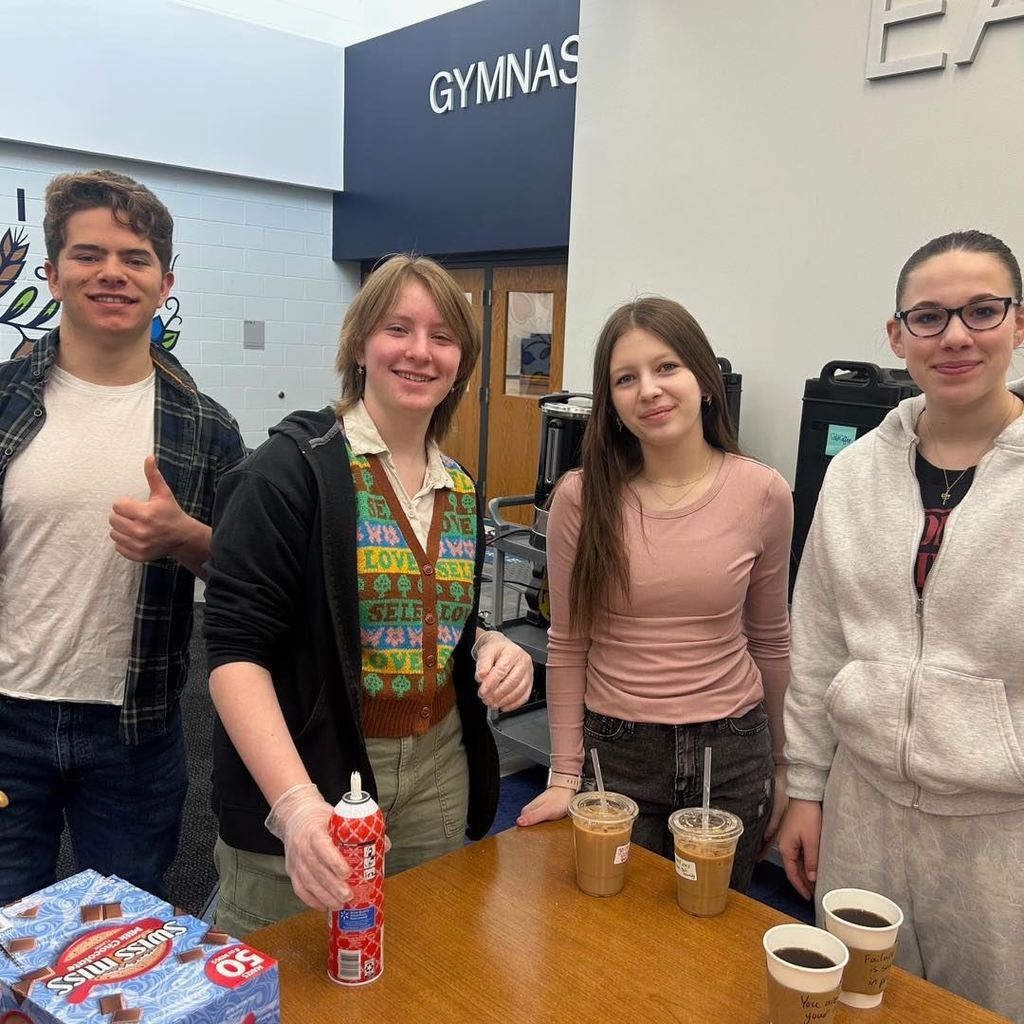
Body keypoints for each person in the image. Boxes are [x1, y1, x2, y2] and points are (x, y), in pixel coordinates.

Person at [204, 254, 534, 934]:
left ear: (462, 360)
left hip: (440, 764)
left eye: (442, 337)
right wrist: (295, 807)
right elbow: (236, 652)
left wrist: (493, 644)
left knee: (424, 962)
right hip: (313, 764)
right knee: (290, 974)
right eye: (398, 329)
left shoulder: (461, 487)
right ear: (360, 343)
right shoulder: (288, 473)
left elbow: (446, 617)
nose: (420, 352)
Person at [779, 230, 1024, 1022]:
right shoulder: (853, 475)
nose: (955, 334)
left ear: (1019, 324)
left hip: (1000, 834)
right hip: (863, 811)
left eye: (982, 310)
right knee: (854, 1005)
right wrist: (806, 791)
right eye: (929, 316)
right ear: (896, 335)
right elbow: (816, 643)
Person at [0, 169, 247, 903]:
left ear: (164, 281)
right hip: (5, 719)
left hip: (135, 730)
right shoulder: (3, 402)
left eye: (135, 258)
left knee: (126, 933)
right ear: (51, 273)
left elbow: (247, 575)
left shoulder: (207, 427)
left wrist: (186, 538)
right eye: (88, 254)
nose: (112, 272)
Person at [517, 297, 792, 893]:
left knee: (711, 930)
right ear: (610, 402)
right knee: (610, 934)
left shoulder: (762, 492)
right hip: (616, 753)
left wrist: (784, 766)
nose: (649, 389)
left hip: (734, 746)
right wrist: (564, 775)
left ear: (705, 380)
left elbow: (770, 640)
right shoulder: (580, 498)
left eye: (666, 367)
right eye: (625, 378)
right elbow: (567, 646)